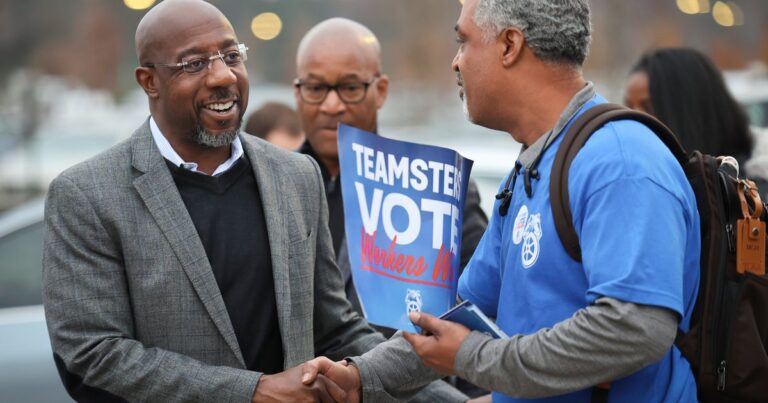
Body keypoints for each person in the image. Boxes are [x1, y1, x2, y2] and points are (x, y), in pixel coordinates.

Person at [42, 1, 469, 402]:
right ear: (149, 81)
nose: (223, 76)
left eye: (231, 56)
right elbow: (93, 353)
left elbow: (336, 331)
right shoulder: (86, 195)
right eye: (194, 64)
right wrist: (253, 392)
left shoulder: (297, 177)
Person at [304, 0, 701, 402]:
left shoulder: (620, 159)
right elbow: (458, 313)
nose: (455, 63)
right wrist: (360, 376)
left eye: (464, 42)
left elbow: (635, 328)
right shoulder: (533, 168)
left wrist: (472, 357)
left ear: (509, 45)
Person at [294, 17, 488, 322]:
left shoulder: (435, 189)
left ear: (381, 90)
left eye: (349, 87)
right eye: (315, 88)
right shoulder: (270, 187)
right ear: (297, 92)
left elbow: (478, 308)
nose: (331, 105)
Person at [625, 47, 768, 194]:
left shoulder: (752, 196)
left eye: (648, 107)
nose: (634, 118)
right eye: (628, 107)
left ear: (690, 110)